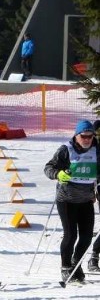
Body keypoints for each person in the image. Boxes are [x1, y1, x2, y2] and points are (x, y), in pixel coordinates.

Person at [44, 120, 98, 284]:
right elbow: (48, 168)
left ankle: (76, 264)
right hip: (66, 199)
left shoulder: (97, 150)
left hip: (86, 199)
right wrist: (58, 174)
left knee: (87, 237)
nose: (87, 139)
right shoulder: (65, 150)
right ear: (77, 135)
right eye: (84, 136)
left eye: (90, 136)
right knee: (71, 235)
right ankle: (66, 268)